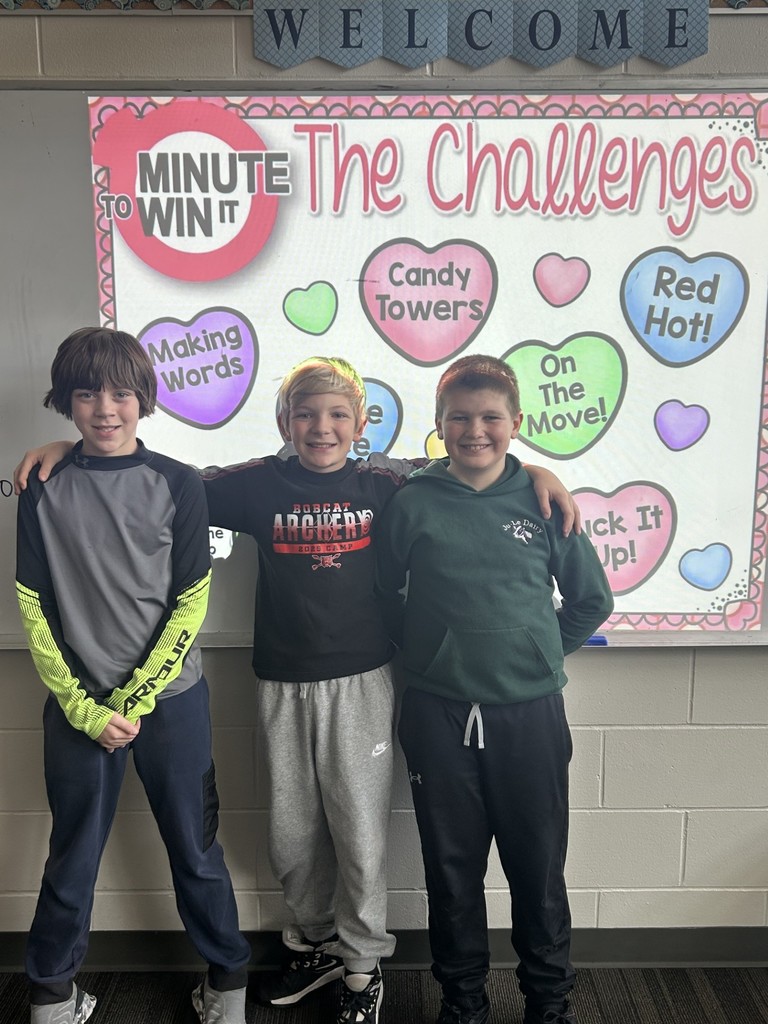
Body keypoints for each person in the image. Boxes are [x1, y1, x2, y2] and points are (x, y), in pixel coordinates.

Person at [14, 355, 580, 1024]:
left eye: (338, 415)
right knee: (291, 835)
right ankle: (316, 945)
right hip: (281, 680)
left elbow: (464, 467)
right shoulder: (257, 484)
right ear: (284, 421)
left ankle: (363, 967)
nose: (321, 428)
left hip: (365, 682)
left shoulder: (388, 483)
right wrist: (73, 449)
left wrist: (536, 470)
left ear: (362, 422)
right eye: (306, 415)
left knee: (359, 832)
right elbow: (162, 480)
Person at [15, 328, 251, 1024]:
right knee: (72, 856)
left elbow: (191, 602)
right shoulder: (41, 484)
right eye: (86, 392)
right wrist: (88, 709)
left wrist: (137, 697)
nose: (105, 408)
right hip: (78, 710)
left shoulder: (179, 484)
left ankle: (229, 987)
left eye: (120, 392)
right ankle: (51, 997)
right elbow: (32, 604)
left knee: (196, 849)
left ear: (144, 397)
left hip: (172, 706)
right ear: (66, 400)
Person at [375, 355, 614, 1024]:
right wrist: (428, 655)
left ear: (516, 423)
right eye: (459, 418)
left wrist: (535, 654)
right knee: (451, 875)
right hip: (436, 714)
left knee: (537, 873)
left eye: (490, 418)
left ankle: (548, 1004)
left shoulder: (542, 501)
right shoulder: (413, 501)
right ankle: (463, 1004)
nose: (474, 430)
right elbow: (382, 592)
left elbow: (592, 598)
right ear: (439, 424)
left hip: (530, 715)